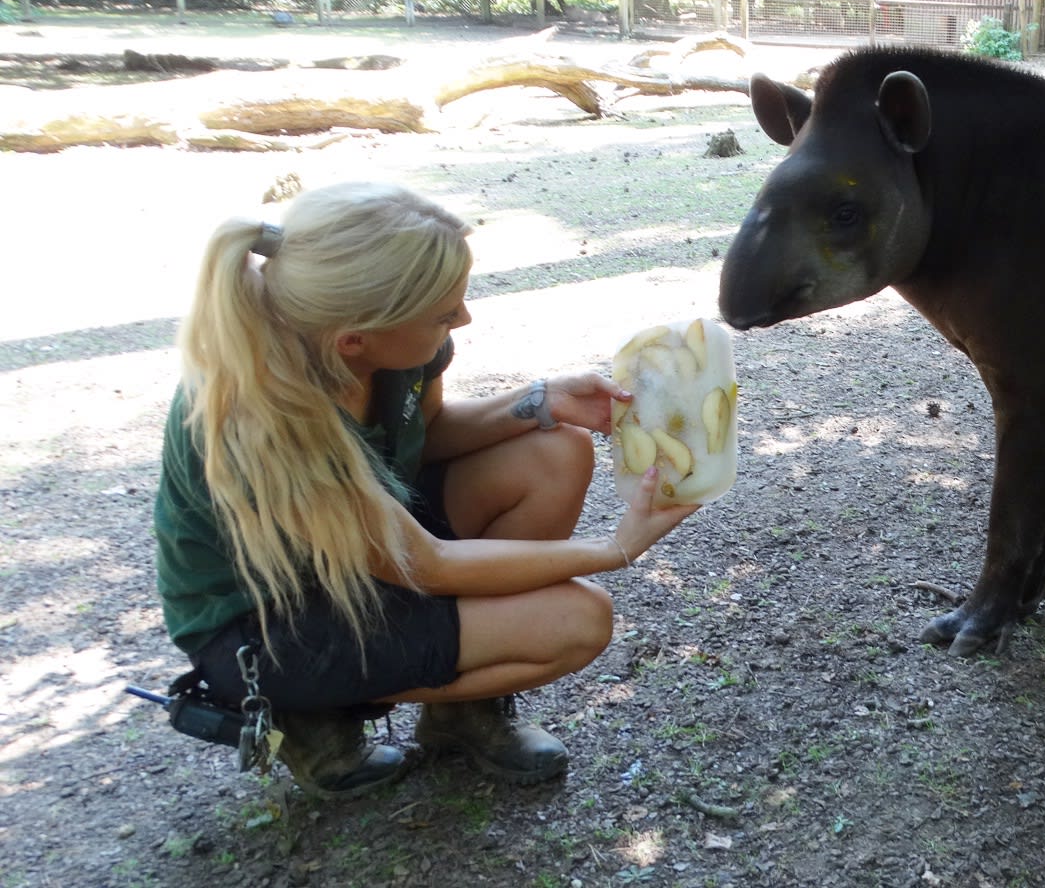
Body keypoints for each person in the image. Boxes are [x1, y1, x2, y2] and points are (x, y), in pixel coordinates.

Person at [153, 181, 701, 798]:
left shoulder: (394, 345)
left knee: (555, 450)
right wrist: (616, 547)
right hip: (269, 621)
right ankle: (313, 714)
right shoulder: (259, 416)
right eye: (445, 313)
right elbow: (424, 562)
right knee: (577, 619)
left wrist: (540, 401)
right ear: (354, 338)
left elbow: (426, 434)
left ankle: (461, 711)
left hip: (365, 552)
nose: (462, 319)